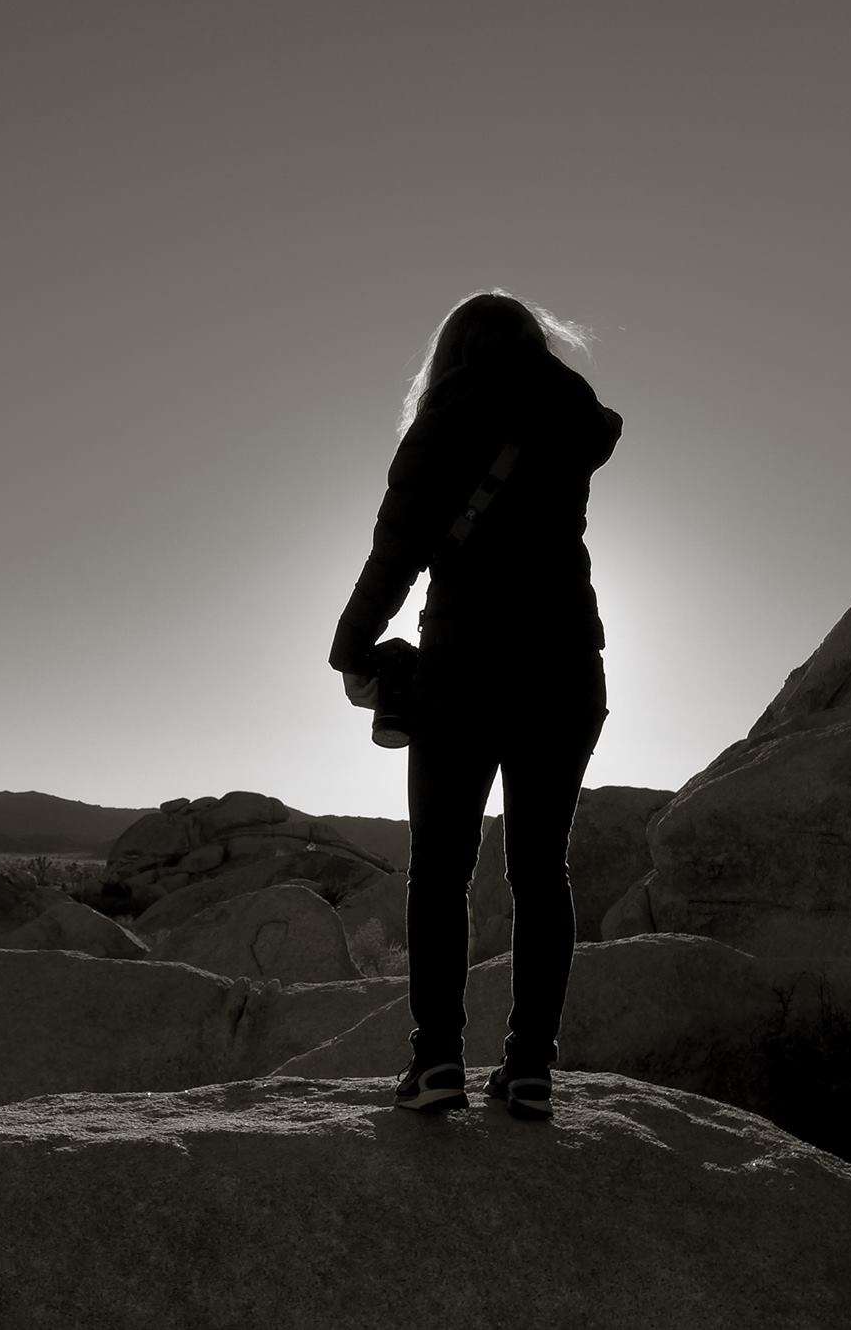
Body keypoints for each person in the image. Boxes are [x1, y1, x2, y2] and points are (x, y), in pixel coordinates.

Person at [329, 289, 621, 1120]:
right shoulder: (571, 423)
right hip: (567, 667)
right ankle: (531, 1068)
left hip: (465, 667)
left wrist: (351, 652)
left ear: (453, 354)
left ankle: (436, 1066)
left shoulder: (448, 421)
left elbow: (395, 555)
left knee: (441, 871)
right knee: (540, 871)